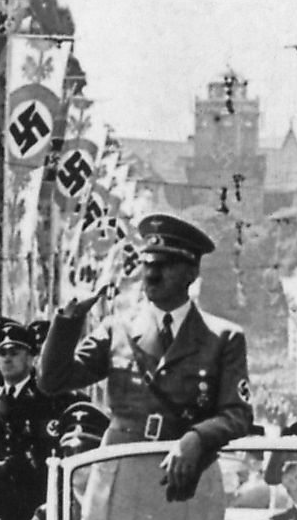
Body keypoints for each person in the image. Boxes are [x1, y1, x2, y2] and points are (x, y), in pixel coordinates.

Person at [38, 215, 254, 501]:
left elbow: (238, 414)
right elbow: (51, 381)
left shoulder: (223, 337)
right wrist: (69, 318)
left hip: (186, 483)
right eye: (148, 264)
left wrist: (197, 437)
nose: (152, 275)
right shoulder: (118, 329)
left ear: (191, 273)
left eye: (164, 266)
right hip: (118, 484)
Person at [0, 320, 67, 520]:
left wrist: (6, 466)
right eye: (2, 353)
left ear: (30, 358)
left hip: (34, 501)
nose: (7, 358)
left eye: (15, 351)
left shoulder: (47, 399)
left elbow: (49, 453)